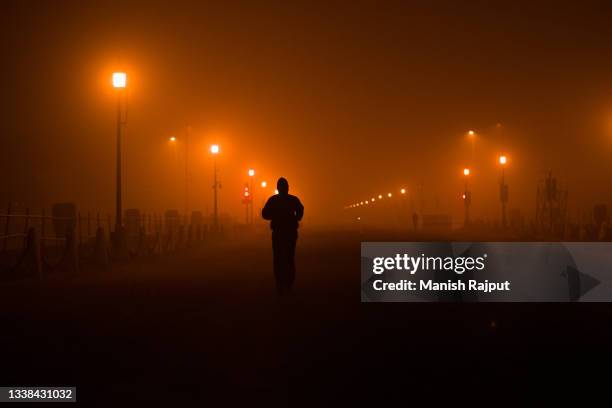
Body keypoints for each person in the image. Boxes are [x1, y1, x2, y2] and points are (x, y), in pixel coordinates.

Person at [261, 177, 304, 294]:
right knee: (290, 258)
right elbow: (301, 209)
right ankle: (289, 283)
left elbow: (264, 214)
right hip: (290, 232)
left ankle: (279, 282)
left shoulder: (273, 200)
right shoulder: (293, 200)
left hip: (278, 233)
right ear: (287, 188)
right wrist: (297, 218)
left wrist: (274, 216)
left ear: (277, 188)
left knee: (278, 259)